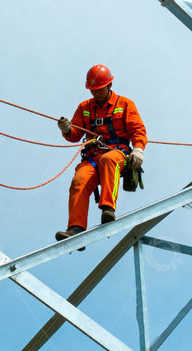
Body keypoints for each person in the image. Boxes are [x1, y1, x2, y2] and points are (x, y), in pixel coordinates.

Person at [55, 64, 147, 247]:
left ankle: (108, 208)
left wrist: (138, 149)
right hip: (92, 156)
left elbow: (137, 130)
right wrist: (67, 130)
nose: (95, 93)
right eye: (92, 90)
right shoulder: (84, 107)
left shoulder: (125, 104)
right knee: (78, 181)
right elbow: (75, 135)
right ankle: (75, 229)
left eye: (98, 89)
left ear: (109, 86)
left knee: (109, 159)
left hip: (117, 152)